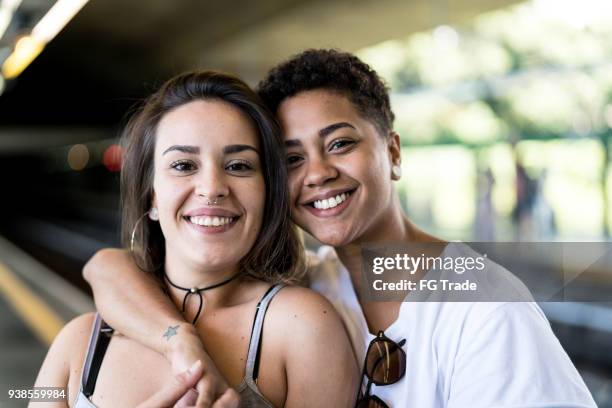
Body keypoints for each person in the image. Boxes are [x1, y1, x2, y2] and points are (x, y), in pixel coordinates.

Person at [83, 50, 596, 407]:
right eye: (291, 158)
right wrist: (179, 340)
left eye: (341, 144)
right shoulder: (318, 280)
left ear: (392, 152)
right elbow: (108, 268)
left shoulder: (483, 304)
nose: (318, 173)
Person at [31, 71, 358, 407]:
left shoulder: (303, 327)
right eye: (184, 165)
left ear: (268, 191)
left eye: (239, 165)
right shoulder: (77, 342)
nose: (212, 187)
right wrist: (179, 338)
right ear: (151, 196)